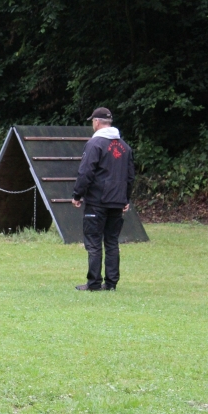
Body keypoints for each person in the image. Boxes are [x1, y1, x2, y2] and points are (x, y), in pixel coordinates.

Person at [71, 107, 135, 291]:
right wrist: (126, 198)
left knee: (93, 242)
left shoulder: (94, 144)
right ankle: (111, 283)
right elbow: (130, 176)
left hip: (97, 201)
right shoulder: (125, 147)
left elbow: (86, 172)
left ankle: (94, 283)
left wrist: (77, 194)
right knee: (112, 242)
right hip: (117, 201)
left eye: (93, 121)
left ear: (97, 122)